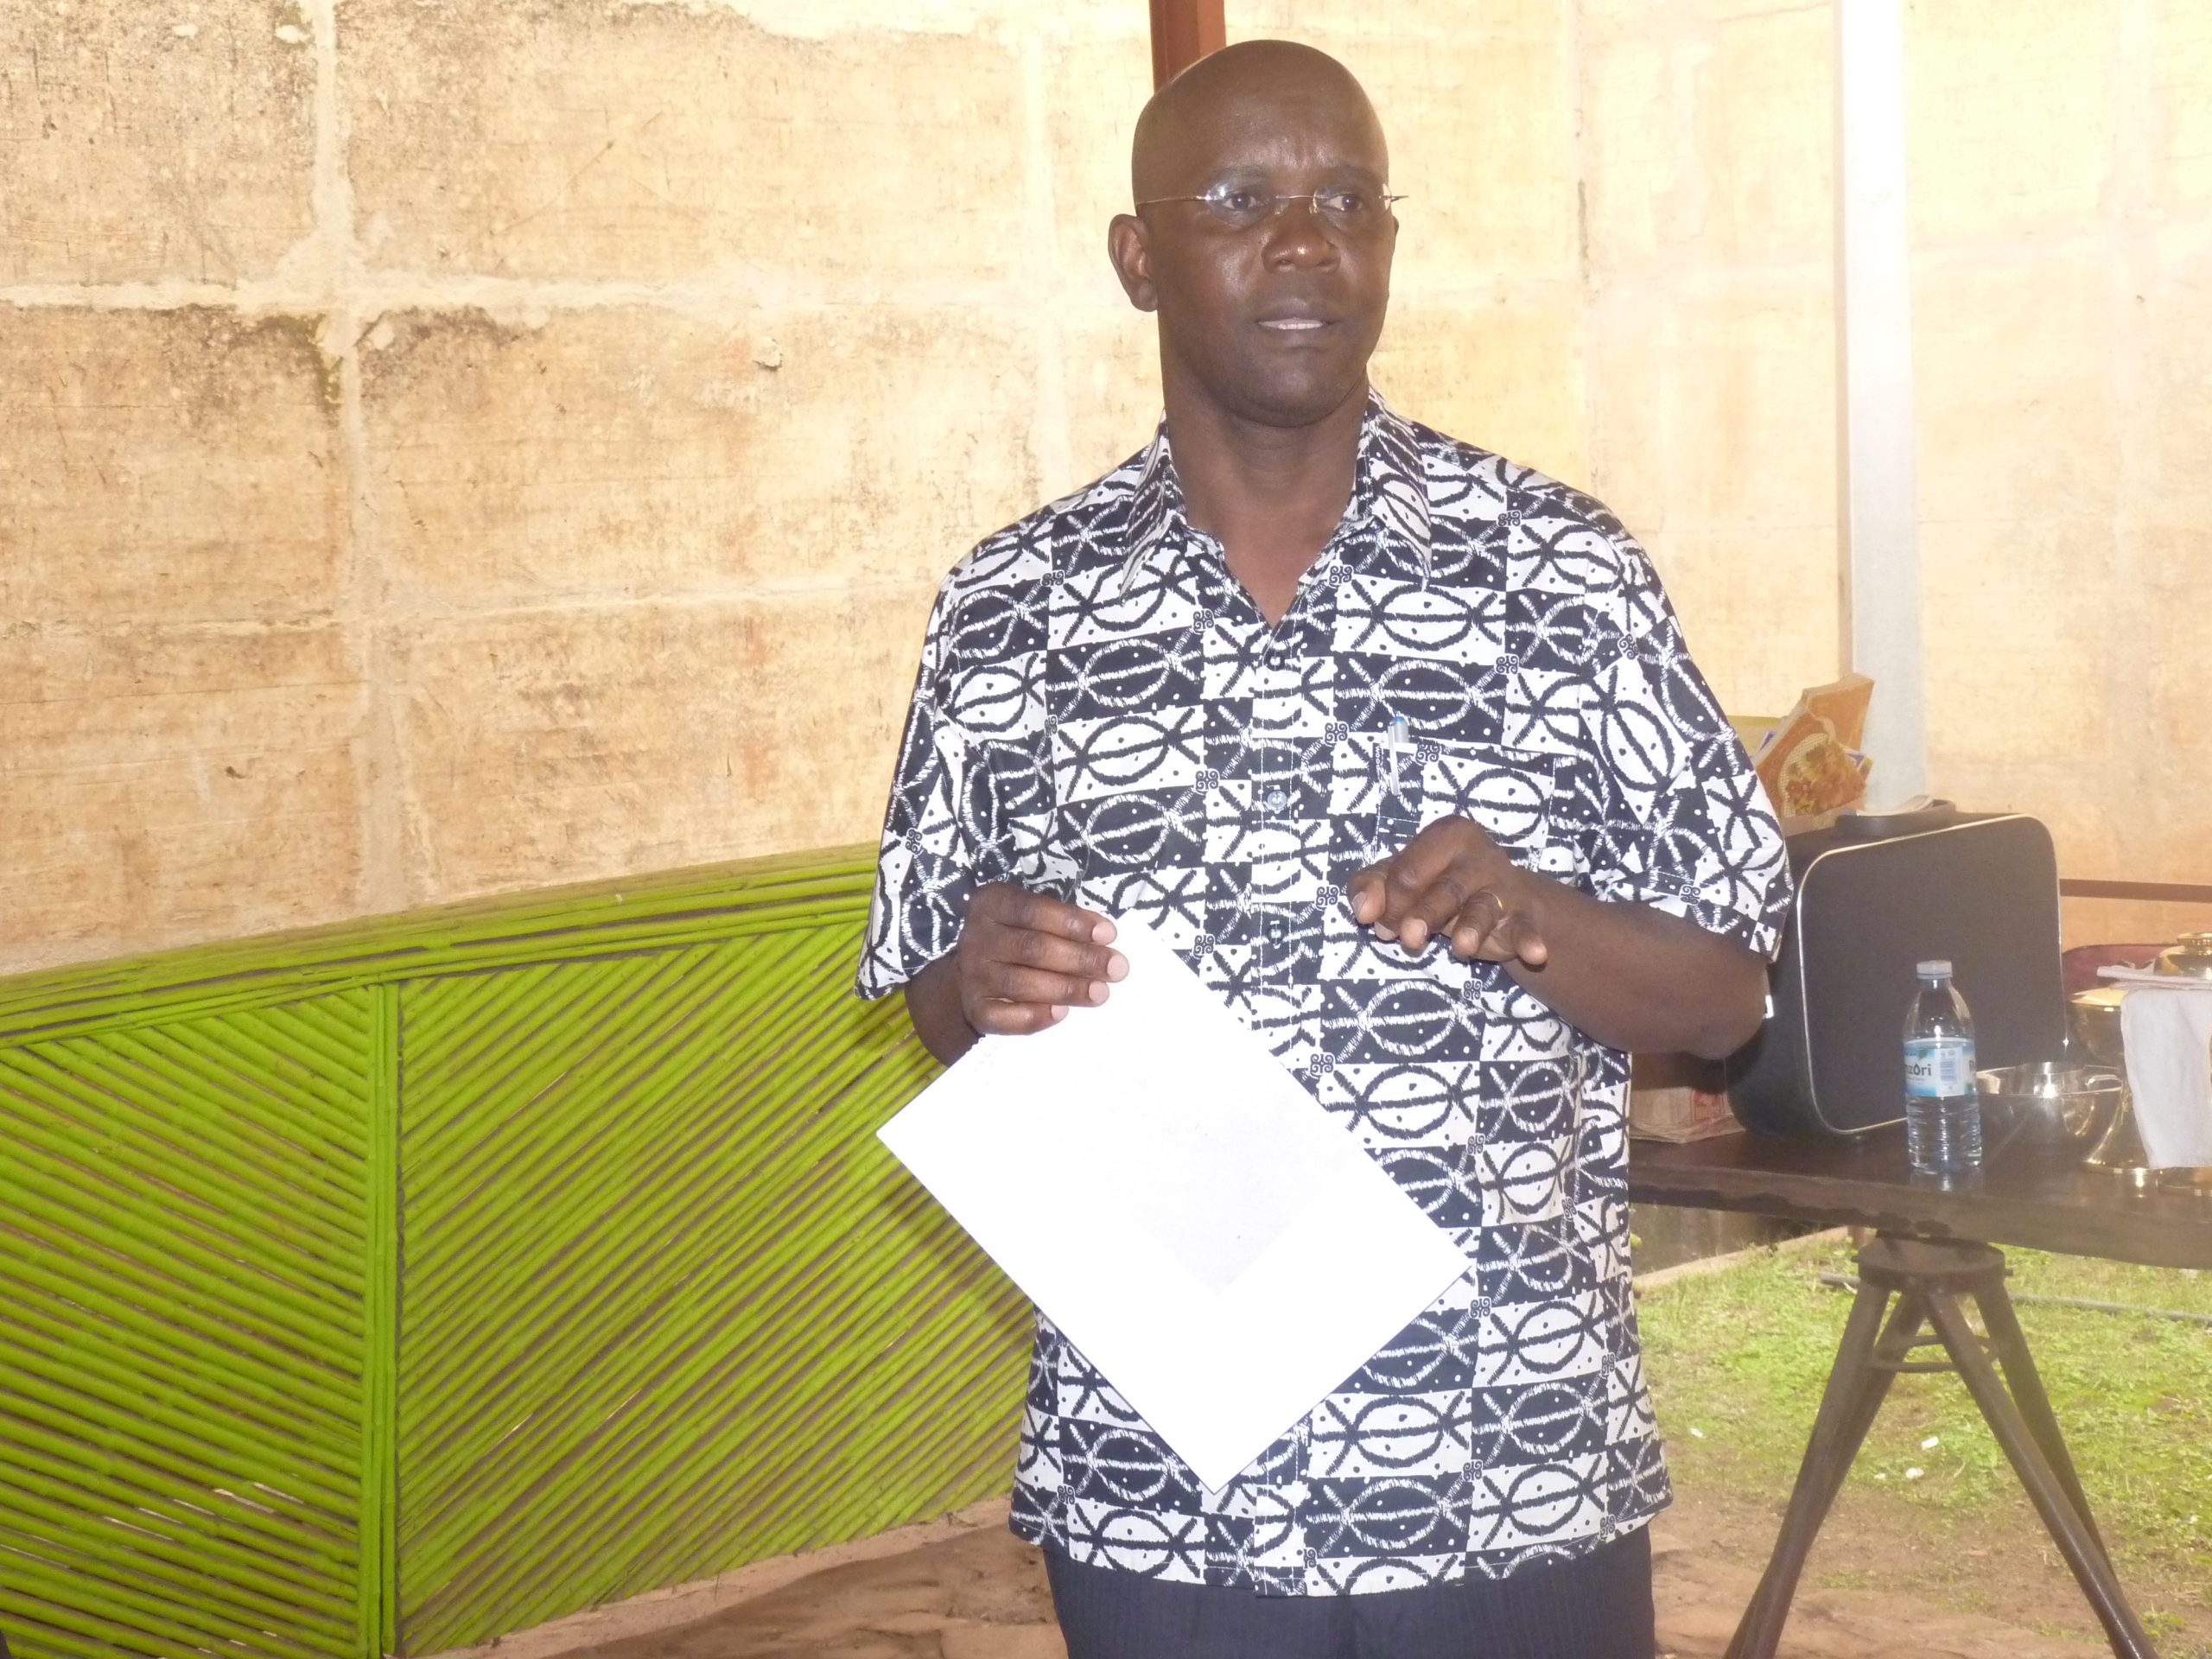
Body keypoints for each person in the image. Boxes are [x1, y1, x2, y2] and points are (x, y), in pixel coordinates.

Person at [856, 38, 1790, 1659]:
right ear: (1137, 259)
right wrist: (976, 981)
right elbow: (943, 1018)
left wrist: (1534, 915)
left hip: (1505, 1459)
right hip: (1161, 1479)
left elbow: (1730, 999)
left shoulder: (1560, 575)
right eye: (1242, 202)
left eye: (1350, 203)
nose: (1305, 242)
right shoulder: (1014, 612)